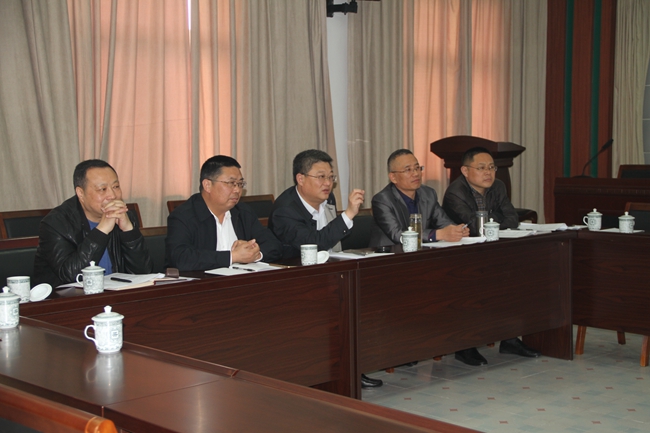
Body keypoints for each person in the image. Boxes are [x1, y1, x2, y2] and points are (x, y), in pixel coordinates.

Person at [268, 149, 382, 389]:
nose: (328, 183)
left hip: (325, 275)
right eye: (321, 177)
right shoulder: (285, 209)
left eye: (331, 177)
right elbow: (314, 243)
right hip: (292, 282)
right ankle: (324, 372)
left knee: (362, 294)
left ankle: (351, 369)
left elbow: (330, 243)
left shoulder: (326, 200)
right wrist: (348, 214)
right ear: (300, 178)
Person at [442, 146, 540, 365]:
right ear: (465, 171)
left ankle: (509, 338)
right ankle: (465, 346)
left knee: (515, 280)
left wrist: (489, 220)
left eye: (491, 167)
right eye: (481, 168)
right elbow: (475, 227)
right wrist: (494, 218)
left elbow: (512, 219)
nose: (488, 173)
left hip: (493, 251)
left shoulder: (498, 186)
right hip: (462, 258)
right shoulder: (455, 192)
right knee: (476, 290)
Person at [33, 159, 153, 287]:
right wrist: (102, 230)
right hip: (69, 297)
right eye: (102, 189)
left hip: (115, 295)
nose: (112, 195)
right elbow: (72, 276)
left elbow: (144, 273)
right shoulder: (56, 224)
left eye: (116, 187)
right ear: (81, 193)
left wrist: (128, 231)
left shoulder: (124, 217)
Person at [166, 155, 282, 271]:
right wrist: (233, 257)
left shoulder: (243, 212)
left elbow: (274, 244)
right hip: (205, 281)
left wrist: (254, 254)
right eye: (231, 183)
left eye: (240, 184)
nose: (237, 190)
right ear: (207, 185)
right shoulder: (183, 216)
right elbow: (180, 258)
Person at [369, 149, 468, 248]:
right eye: (408, 170)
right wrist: (438, 234)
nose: (416, 174)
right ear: (393, 177)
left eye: (417, 168)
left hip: (420, 252)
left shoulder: (428, 194)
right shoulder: (382, 200)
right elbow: (397, 235)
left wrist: (457, 230)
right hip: (389, 253)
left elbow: (444, 222)